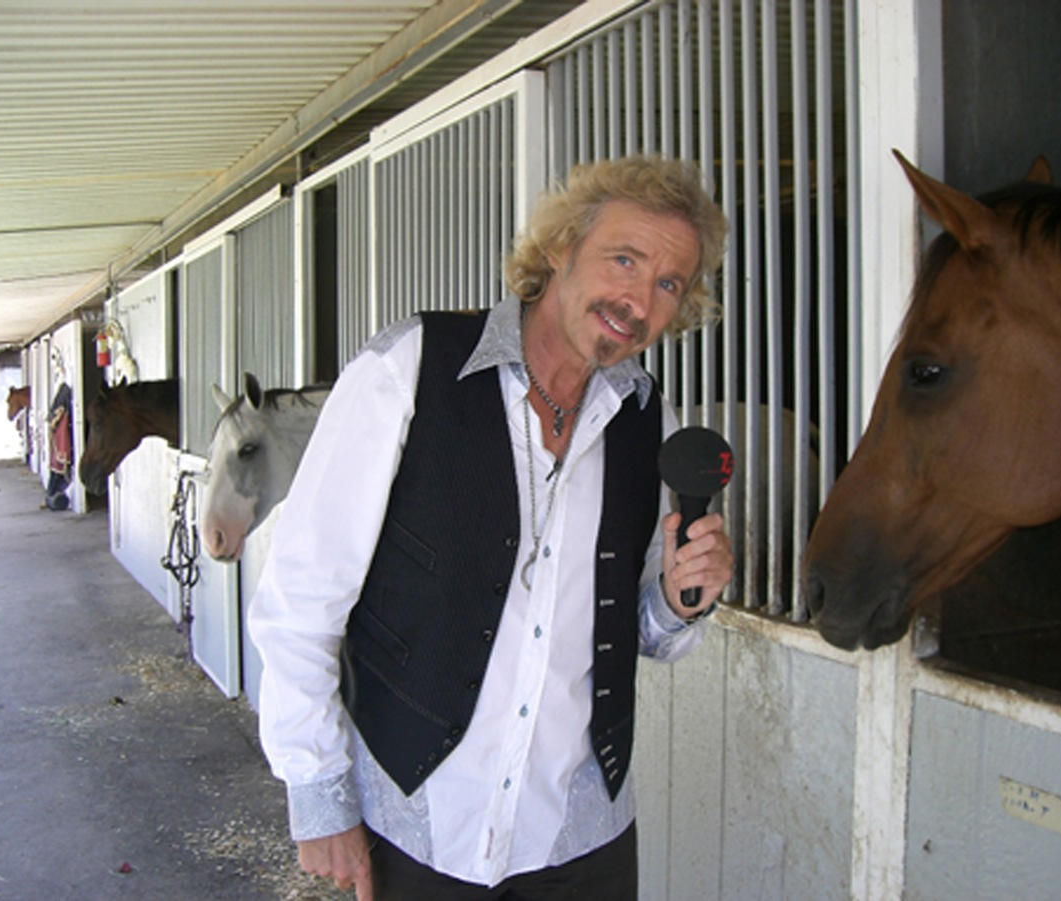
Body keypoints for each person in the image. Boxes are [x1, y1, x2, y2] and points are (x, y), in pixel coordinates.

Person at [248, 155, 733, 900]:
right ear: (560, 248)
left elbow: (644, 635)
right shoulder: (407, 370)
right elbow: (300, 599)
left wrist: (677, 596)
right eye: (624, 259)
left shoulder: (648, 424)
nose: (638, 299)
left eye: (668, 283)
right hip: (416, 822)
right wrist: (318, 795)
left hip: (580, 840)